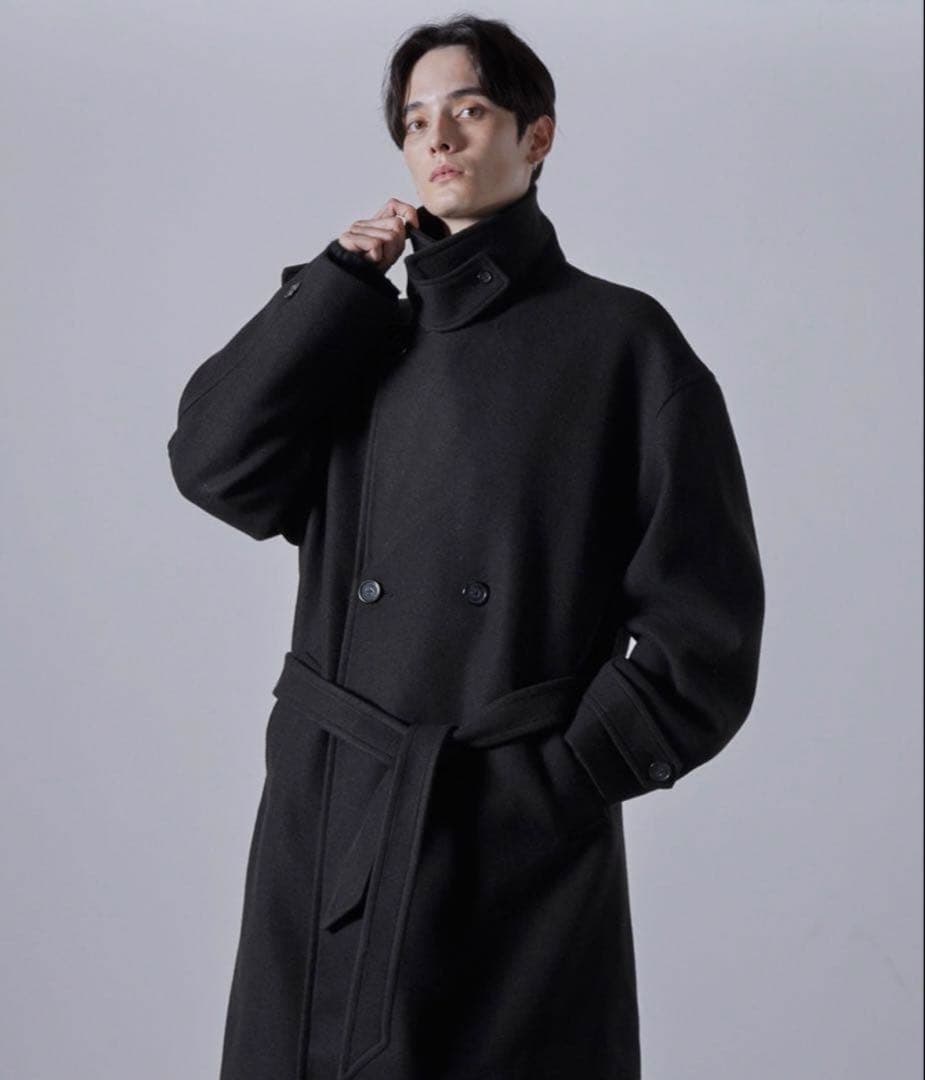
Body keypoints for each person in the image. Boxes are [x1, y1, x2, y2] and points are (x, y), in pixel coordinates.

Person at [167, 14, 765, 1080]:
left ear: (536, 137)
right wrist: (335, 283)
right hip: (331, 810)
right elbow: (214, 469)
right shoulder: (357, 333)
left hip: (505, 836)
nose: (437, 138)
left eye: (469, 110)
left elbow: (704, 629)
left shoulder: (622, 344)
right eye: (414, 121)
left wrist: (559, 782)